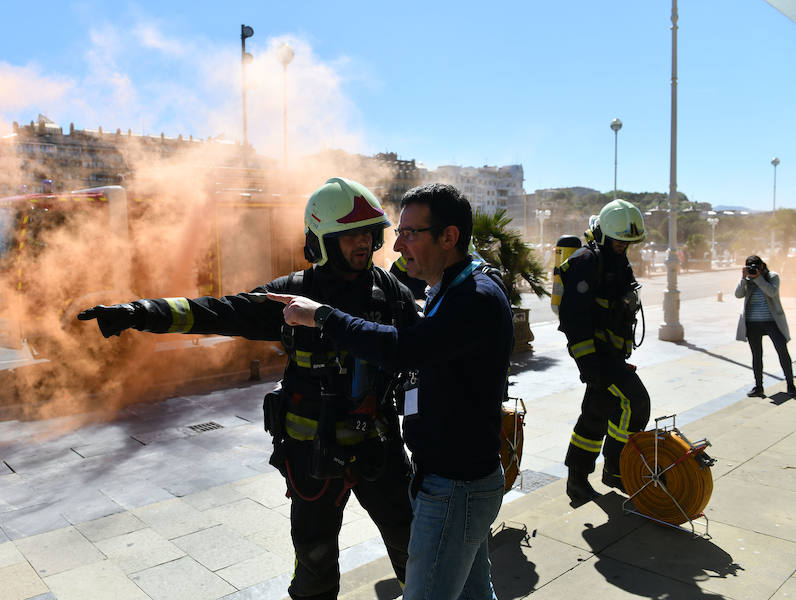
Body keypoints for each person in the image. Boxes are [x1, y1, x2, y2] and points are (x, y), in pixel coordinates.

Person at [78, 177, 420, 600]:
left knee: (415, 549)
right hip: (313, 456)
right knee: (314, 567)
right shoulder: (292, 295)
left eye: (369, 233)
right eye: (351, 234)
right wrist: (141, 312)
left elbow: (426, 348)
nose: (364, 242)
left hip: (380, 449)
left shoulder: (391, 293)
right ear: (323, 241)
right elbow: (220, 311)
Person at [268, 182, 514, 600]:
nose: (396, 246)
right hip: (448, 479)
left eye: (410, 233)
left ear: (449, 237)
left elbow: (402, 349)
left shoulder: (474, 299)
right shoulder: (451, 290)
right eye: (397, 233)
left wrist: (323, 316)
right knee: (473, 595)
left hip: (455, 487)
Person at [558, 199, 651, 503]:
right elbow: (573, 318)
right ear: (603, 234)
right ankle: (615, 469)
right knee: (636, 402)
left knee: (596, 414)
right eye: (618, 241)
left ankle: (577, 481)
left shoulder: (616, 259)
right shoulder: (586, 261)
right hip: (597, 357)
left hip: (612, 353)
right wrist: (588, 363)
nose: (623, 247)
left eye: (627, 243)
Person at [735, 255, 795, 397]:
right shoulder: (748, 279)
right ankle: (758, 386)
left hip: (772, 321)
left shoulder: (772, 276)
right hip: (752, 323)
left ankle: (790, 385)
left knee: (782, 351)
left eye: (756, 266)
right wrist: (743, 279)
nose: (753, 269)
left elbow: (772, 292)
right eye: (750, 267)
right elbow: (738, 294)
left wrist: (758, 278)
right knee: (756, 355)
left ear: (762, 266)